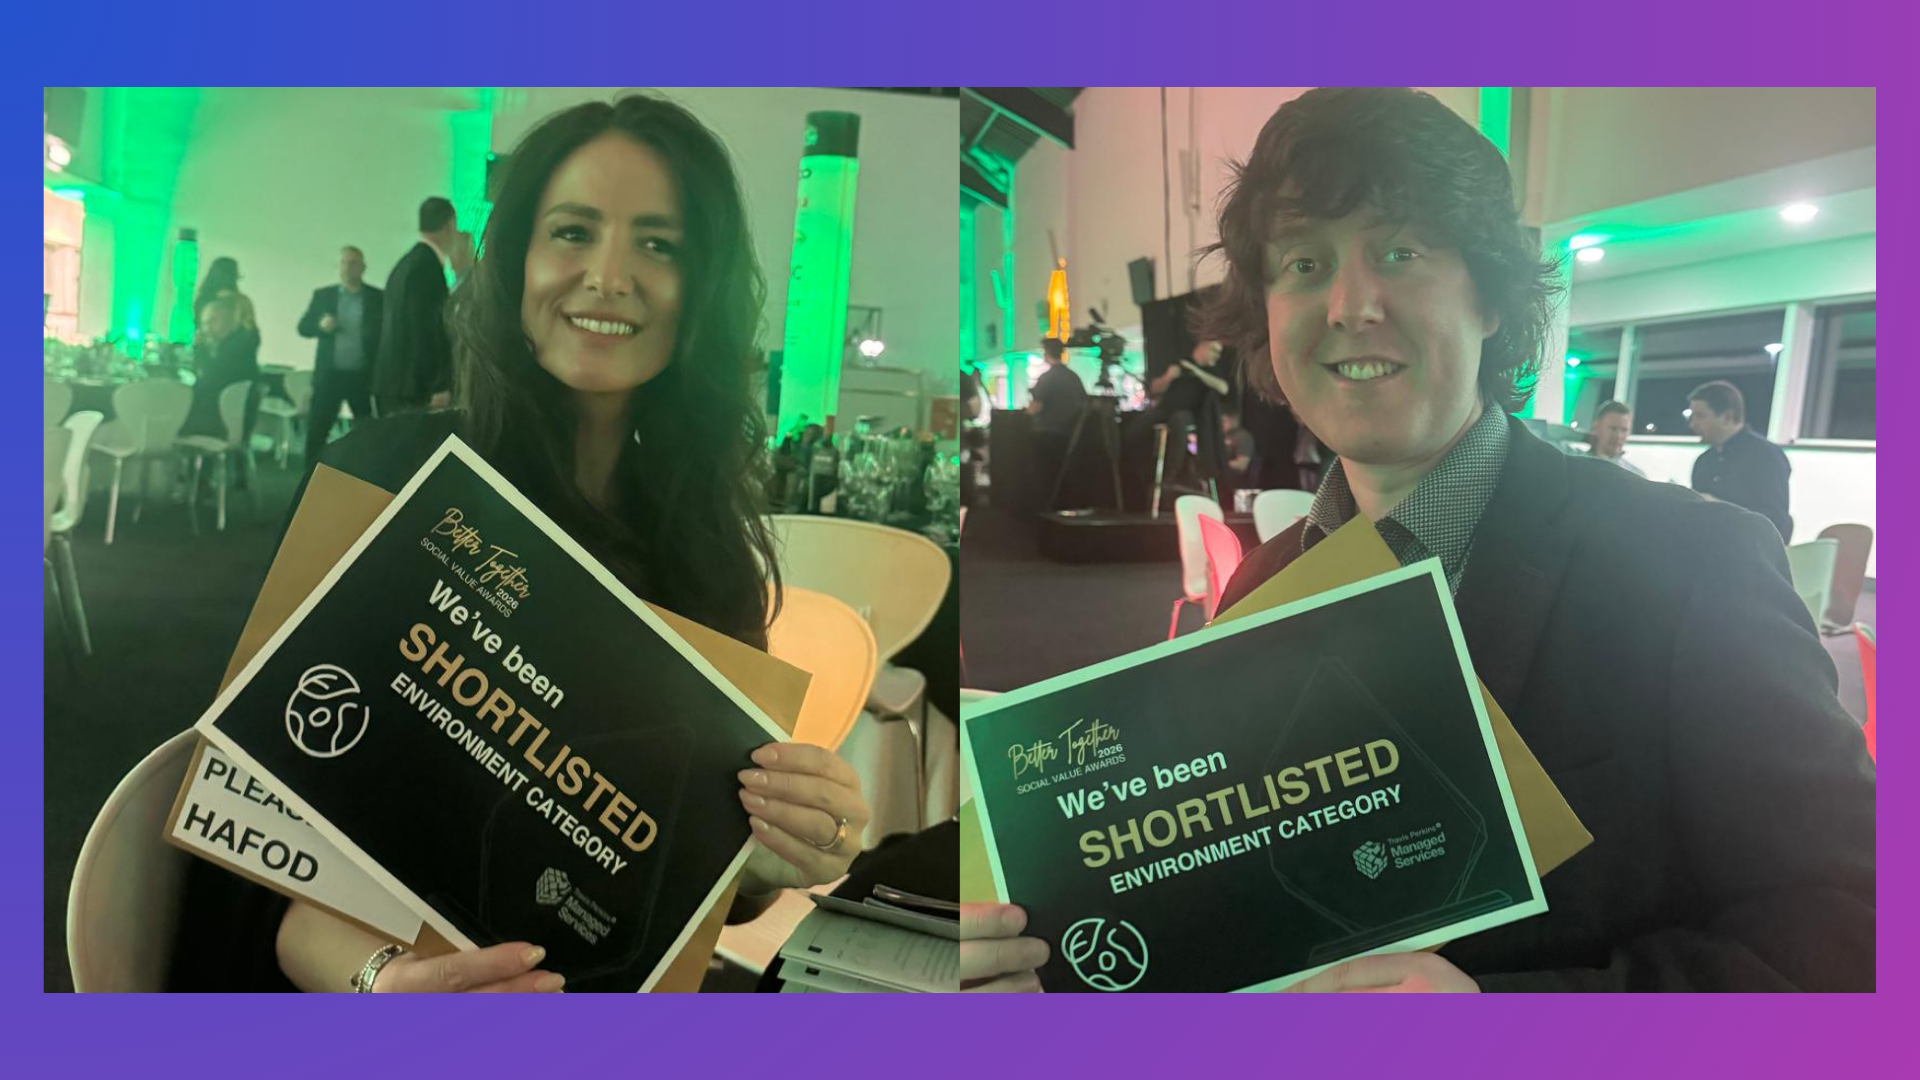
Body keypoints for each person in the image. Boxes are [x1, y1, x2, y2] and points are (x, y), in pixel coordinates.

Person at [962, 86, 1873, 993]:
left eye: (1400, 252)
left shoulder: (1689, 564)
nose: (1351, 304)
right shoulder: (1261, 590)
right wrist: (1052, 966)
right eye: (1304, 265)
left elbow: (1851, 923)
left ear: (1489, 299)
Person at [180, 95, 874, 993]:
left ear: (702, 285)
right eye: (574, 232)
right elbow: (256, 847)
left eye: (659, 244)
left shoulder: (702, 552)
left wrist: (782, 842)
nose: (610, 275)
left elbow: (695, 889)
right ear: (515, 261)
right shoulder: (388, 481)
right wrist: (383, 986)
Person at [295, 246, 382, 466]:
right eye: (343, 262)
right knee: (317, 431)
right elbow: (303, 327)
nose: (347, 267)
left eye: (353, 263)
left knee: (366, 432)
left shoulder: (377, 298)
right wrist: (320, 326)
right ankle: (309, 479)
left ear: (363, 267)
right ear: (338, 266)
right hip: (329, 376)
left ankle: (364, 477)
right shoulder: (324, 296)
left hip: (362, 376)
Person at [373, 196, 460, 416]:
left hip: (393, 381)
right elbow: (427, 328)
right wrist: (438, 383)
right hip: (415, 387)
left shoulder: (405, 265)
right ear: (450, 224)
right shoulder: (426, 267)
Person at [1689, 379, 1791, 541]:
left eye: (1700, 416)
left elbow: (1777, 523)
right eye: (1691, 415)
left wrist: (1718, 507)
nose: (1692, 424)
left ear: (1727, 417)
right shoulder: (1704, 461)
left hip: (1748, 554)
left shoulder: (1766, 456)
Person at [1027, 336, 1087, 508]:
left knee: (1045, 475)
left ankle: (1045, 507)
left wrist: (1025, 414)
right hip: (1070, 433)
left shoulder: (1047, 378)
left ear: (1046, 354)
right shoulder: (1073, 377)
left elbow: (1036, 406)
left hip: (1046, 433)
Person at [1585, 399, 1644, 477]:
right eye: (1613, 429)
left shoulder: (1636, 476)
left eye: (1624, 430)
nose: (1618, 436)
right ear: (1596, 427)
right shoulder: (1576, 465)